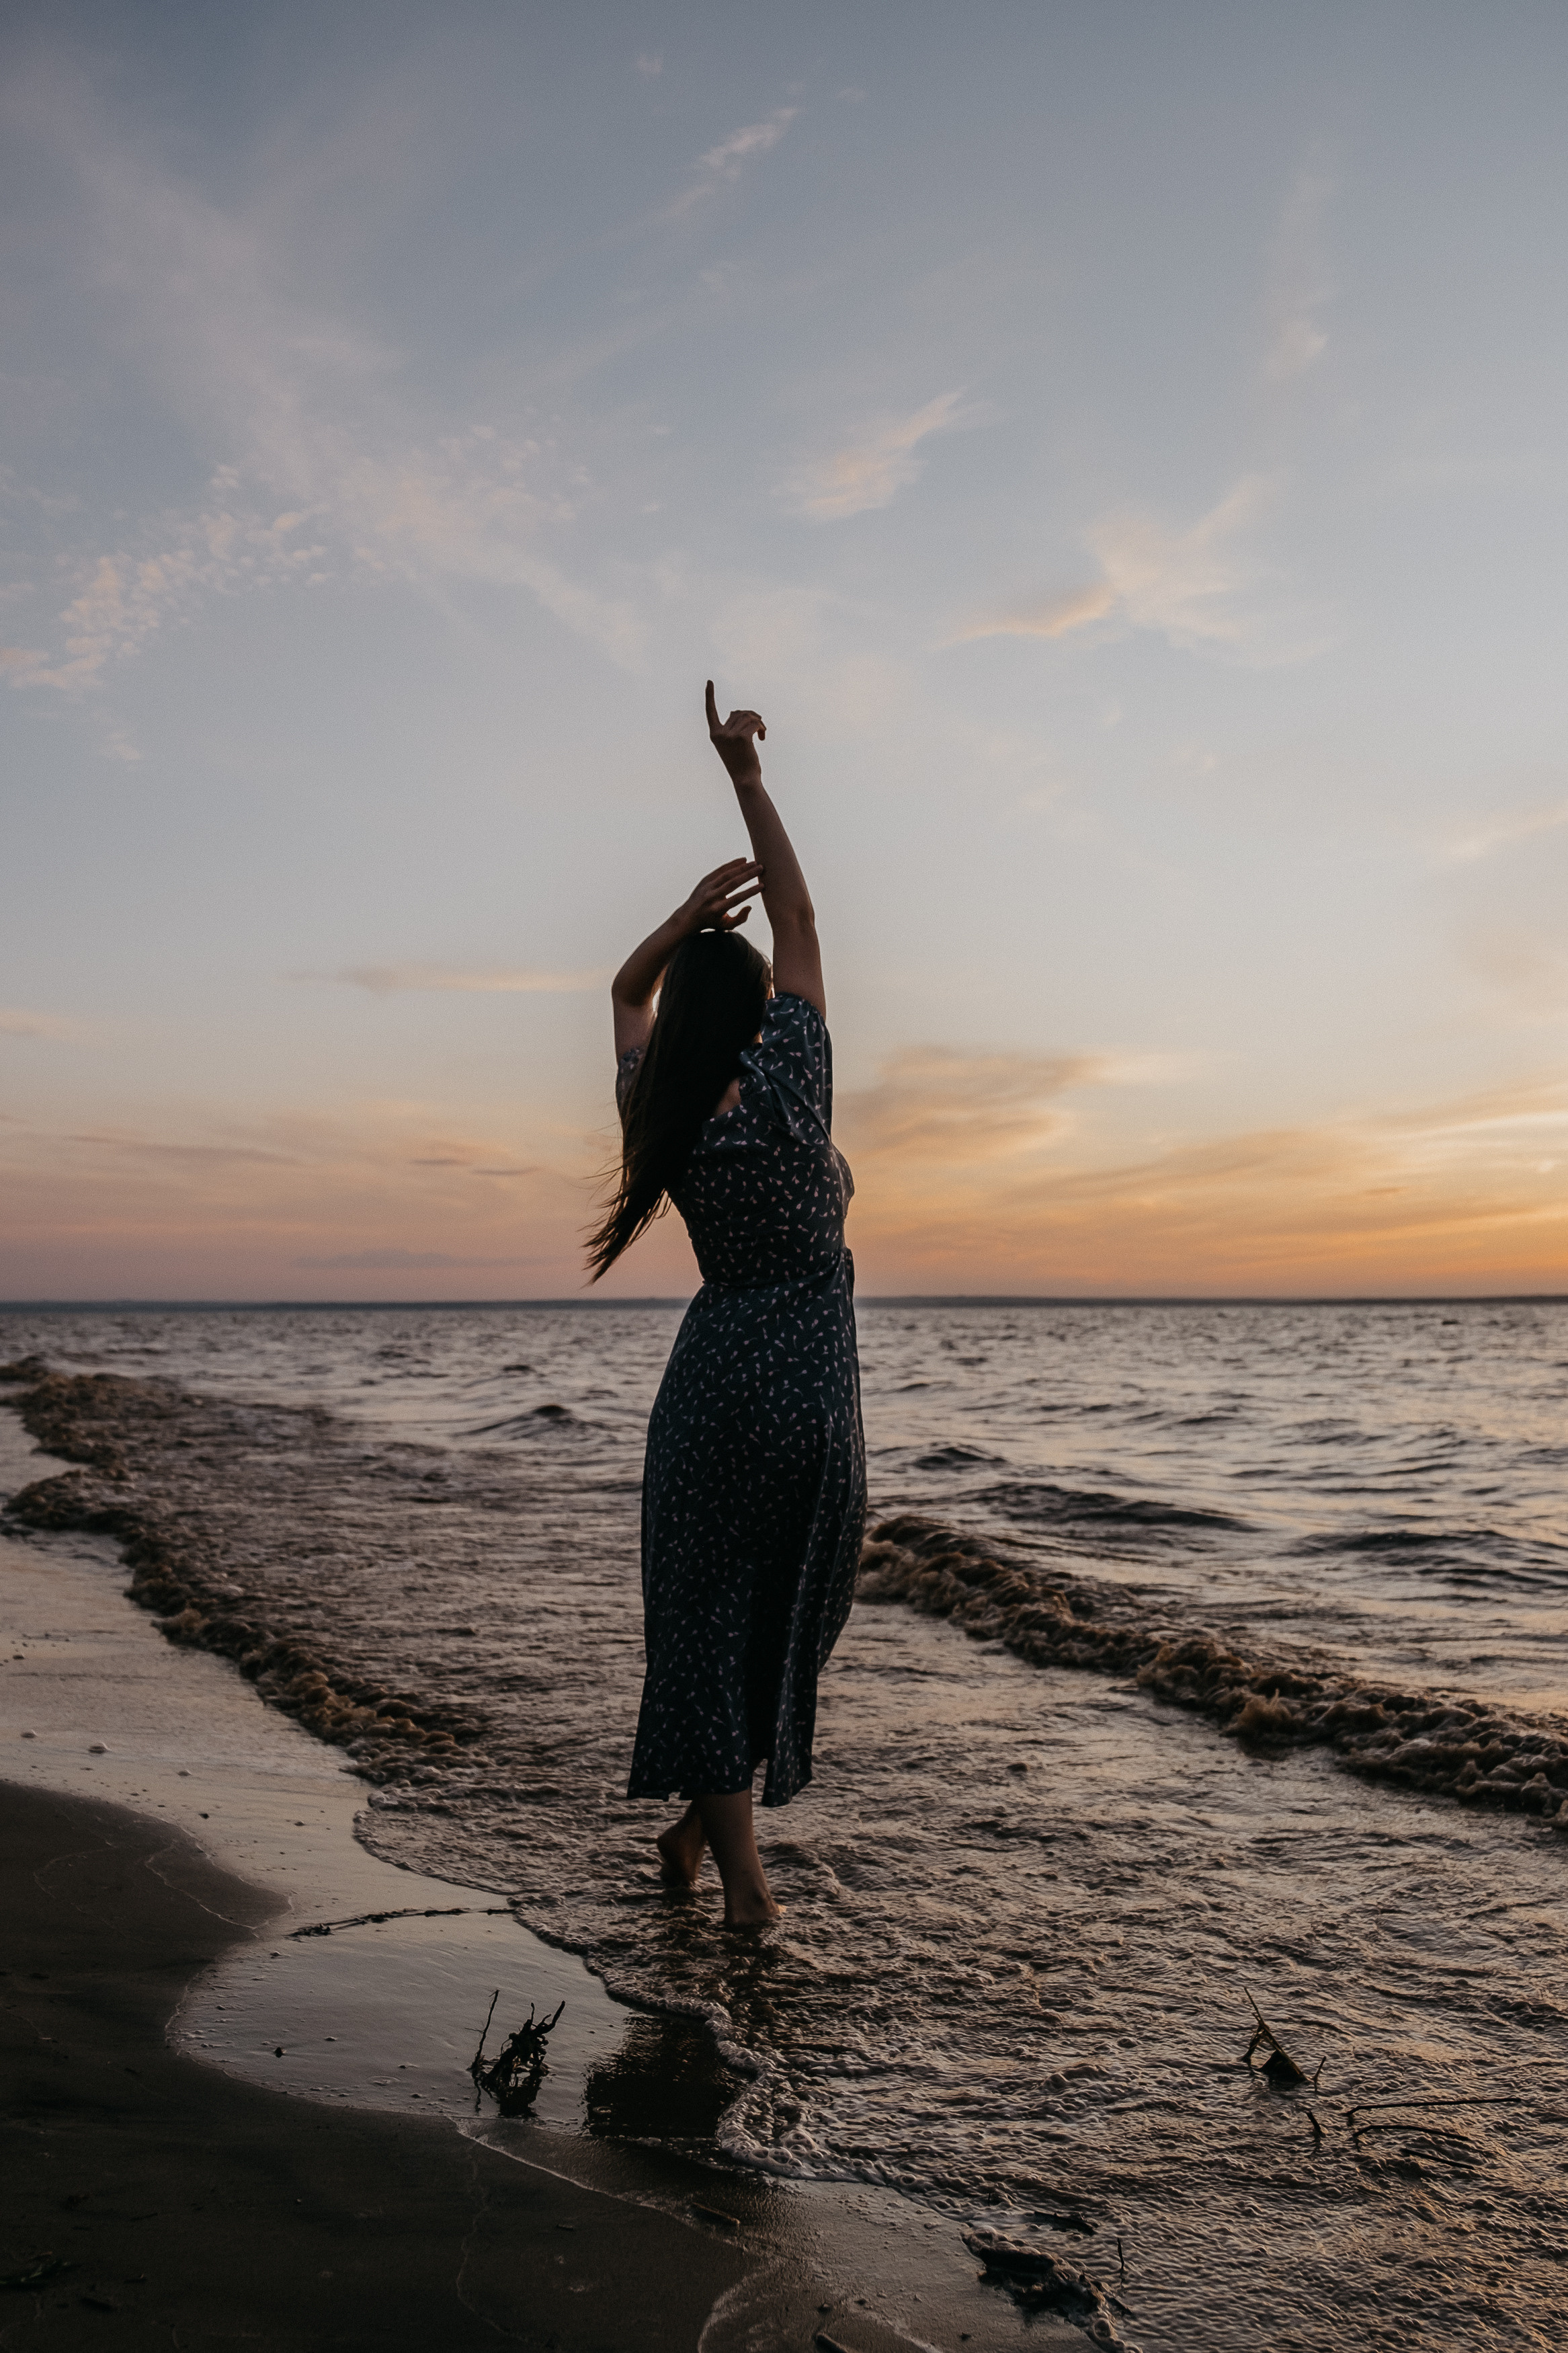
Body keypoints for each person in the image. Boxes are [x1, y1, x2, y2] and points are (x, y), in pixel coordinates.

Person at [587, 683, 866, 1929]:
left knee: (702, 1626)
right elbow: (799, 909)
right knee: (787, 1617)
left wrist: (674, 925)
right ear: (755, 1009)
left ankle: (706, 1850)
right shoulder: (794, 1078)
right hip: (808, 1394)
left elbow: (622, 995)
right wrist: (744, 773)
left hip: (706, 1391)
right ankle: (745, 1890)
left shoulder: (660, 1116)